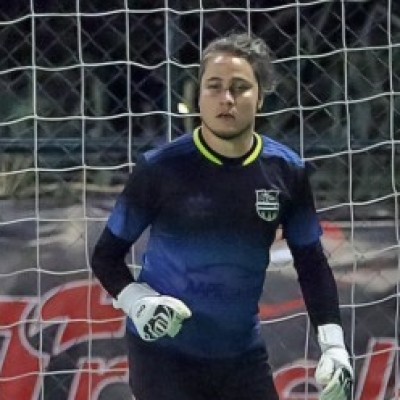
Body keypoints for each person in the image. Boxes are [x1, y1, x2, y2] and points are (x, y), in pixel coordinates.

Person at [91, 32, 353, 400]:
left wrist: (334, 347)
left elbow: (311, 263)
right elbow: (105, 256)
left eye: (239, 87)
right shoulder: (160, 168)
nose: (226, 98)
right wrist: (137, 301)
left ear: (260, 97)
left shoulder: (286, 171)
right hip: (163, 355)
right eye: (213, 86)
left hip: (241, 356)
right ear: (198, 95)